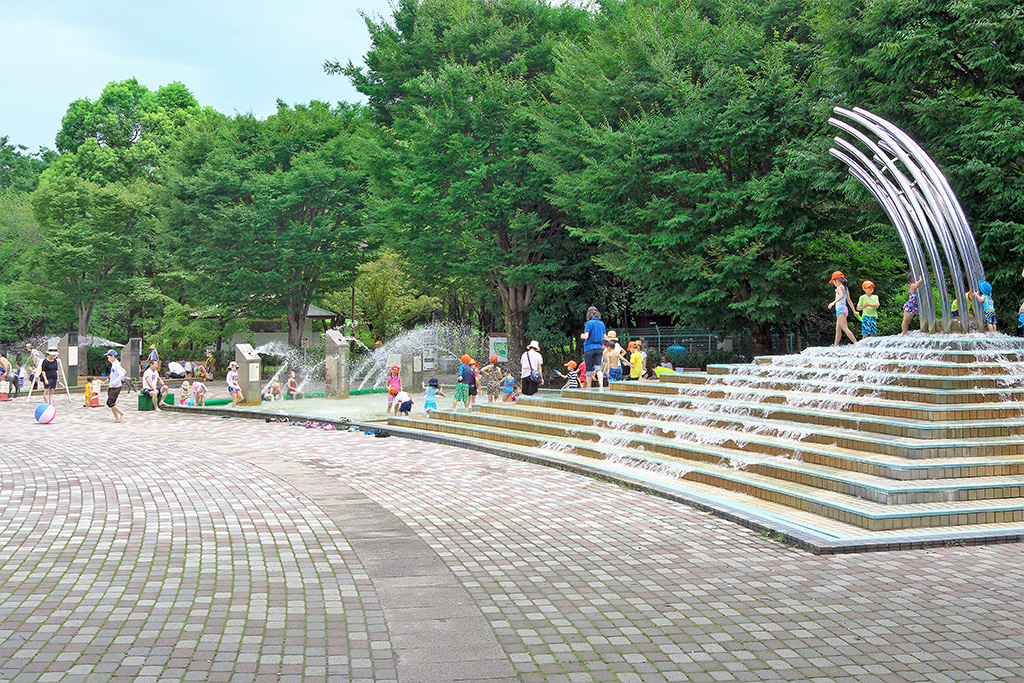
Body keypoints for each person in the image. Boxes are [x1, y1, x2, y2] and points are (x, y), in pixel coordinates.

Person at [828, 271, 858, 345]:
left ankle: (856, 343)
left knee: (845, 328)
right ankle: (835, 345)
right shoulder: (845, 288)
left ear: (836, 281)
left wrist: (833, 302)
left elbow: (841, 296)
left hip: (840, 309)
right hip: (844, 309)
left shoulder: (839, 287)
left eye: (833, 281)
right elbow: (849, 300)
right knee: (838, 329)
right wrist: (854, 311)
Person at [580, 306, 606, 389]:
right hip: (599, 347)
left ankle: (589, 387)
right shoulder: (602, 324)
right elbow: (604, 337)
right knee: (598, 368)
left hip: (589, 348)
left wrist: (582, 335)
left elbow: (586, 336)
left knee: (588, 368)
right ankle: (601, 386)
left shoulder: (589, 323)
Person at [105, 349, 126, 423]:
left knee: (109, 403)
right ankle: (116, 418)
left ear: (113, 356)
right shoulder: (114, 364)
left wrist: (113, 382)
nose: (108, 358)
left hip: (116, 386)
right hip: (112, 386)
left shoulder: (116, 364)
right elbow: (124, 371)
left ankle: (122, 413)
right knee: (112, 403)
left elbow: (121, 375)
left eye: (108, 357)